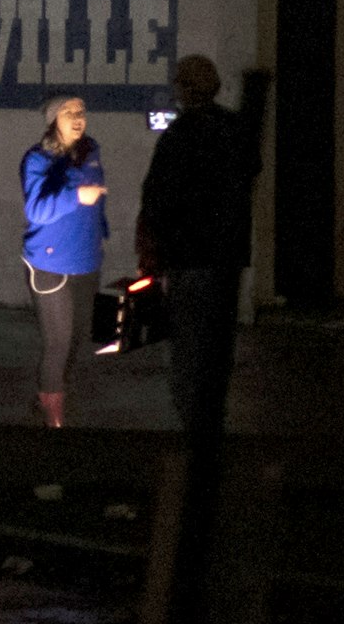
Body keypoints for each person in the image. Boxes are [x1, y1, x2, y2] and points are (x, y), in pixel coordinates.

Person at [136, 53, 256, 438]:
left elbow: (156, 198)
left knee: (188, 345)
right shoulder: (235, 129)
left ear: (184, 89)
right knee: (218, 345)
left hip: (188, 256)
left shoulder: (179, 137)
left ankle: (193, 426)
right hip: (227, 256)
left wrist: (153, 248)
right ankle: (212, 421)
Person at [20, 93, 108, 426]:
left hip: (86, 263)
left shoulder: (91, 151)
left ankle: (49, 390)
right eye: (67, 112)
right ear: (53, 120)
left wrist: (100, 233)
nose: (77, 117)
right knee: (57, 342)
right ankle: (53, 418)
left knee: (77, 339)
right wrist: (76, 197)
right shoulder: (38, 160)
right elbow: (36, 210)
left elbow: (95, 202)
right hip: (48, 264)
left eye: (81, 111)